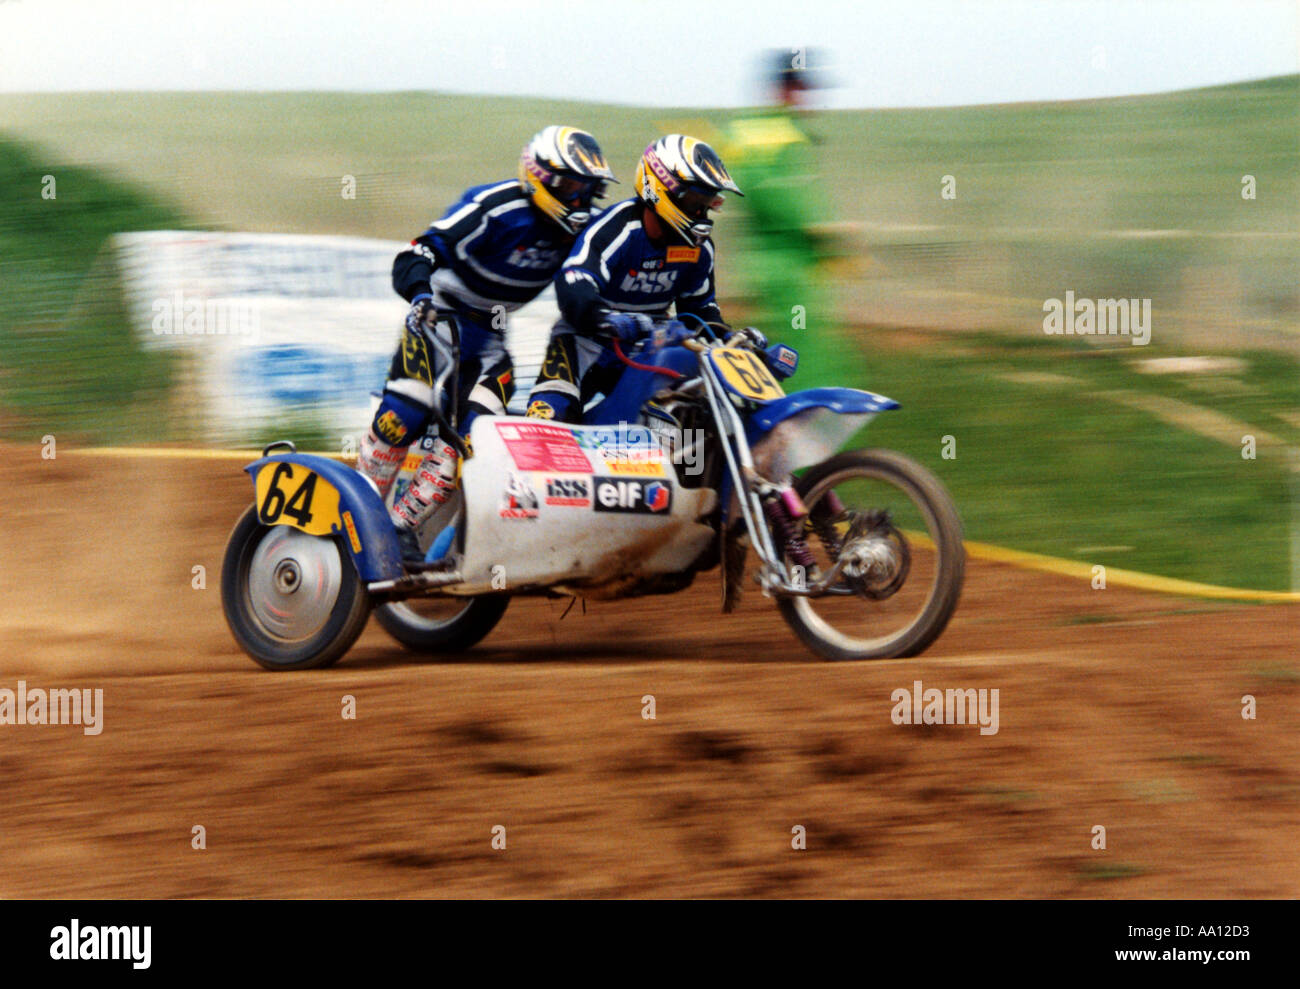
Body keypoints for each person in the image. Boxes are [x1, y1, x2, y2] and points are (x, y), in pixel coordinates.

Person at [356, 125, 616, 560]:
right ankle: (358, 509)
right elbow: (418, 250)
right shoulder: (494, 207)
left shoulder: (580, 233)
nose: (580, 201)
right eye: (571, 186)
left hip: (491, 338)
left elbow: (594, 278)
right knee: (408, 407)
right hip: (438, 316)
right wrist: (420, 293)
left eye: (588, 190)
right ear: (541, 177)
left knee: (477, 437)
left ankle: (400, 528)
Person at [525, 134, 742, 423]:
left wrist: (730, 338)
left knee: (682, 417)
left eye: (708, 202)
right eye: (694, 201)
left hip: (646, 349)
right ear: (660, 188)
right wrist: (603, 318)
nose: (702, 213)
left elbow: (699, 311)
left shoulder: (699, 249)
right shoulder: (616, 230)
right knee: (549, 417)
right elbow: (575, 280)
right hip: (585, 343)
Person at [721, 48, 848, 387]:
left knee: (804, 348)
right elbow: (778, 197)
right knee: (802, 355)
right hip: (785, 263)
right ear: (784, 89)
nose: (808, 98)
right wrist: (822, 233)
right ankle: (795, 428)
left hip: (783, 261)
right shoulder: (774, 134)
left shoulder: (766, 131)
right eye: (802, 89)